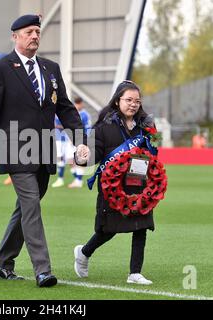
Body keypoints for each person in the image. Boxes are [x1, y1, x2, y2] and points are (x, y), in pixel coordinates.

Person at [0, 14, 89, 288]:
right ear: (15, 36)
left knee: (25, 209)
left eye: (37, 31)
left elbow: (65, 107)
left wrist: (80, 140)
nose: (35, 36)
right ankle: (43, 269)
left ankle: (1, 264)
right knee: (31, 206)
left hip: (45, 151)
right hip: (14, 149)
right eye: (29, 31)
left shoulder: (51, 68)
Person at [73, 80, 155, 285]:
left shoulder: (145, 126)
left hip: (138, 184)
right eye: (128, 100)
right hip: (113, 188)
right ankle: (83, 253)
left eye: (137, 101)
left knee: (141, 226)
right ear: (118, 101)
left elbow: (151, 152)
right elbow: (93, 155)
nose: (133, 104)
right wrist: (83, 157)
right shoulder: (104, 127)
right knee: (108, 230)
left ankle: (135, 273)